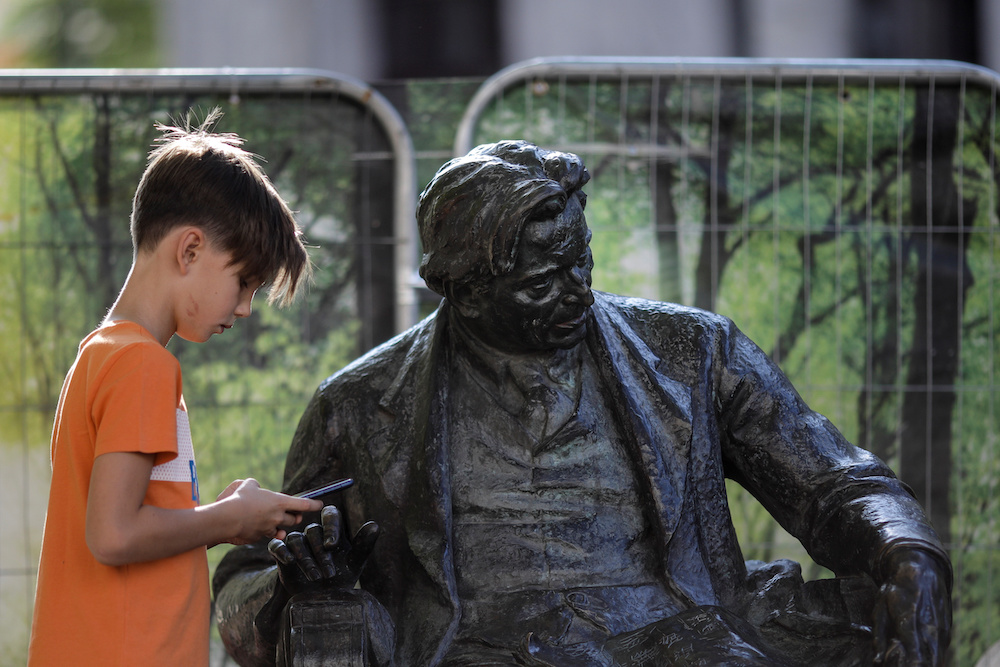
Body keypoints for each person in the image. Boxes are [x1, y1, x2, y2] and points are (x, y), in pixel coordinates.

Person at [213, 140, 951, 666]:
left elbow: (833, 481)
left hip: (678, 635)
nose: (576, 293)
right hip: (478, 646)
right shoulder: (360, 403)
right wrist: (302, 581)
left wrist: (902, 546)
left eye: (582, 262)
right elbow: (244, 584)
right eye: (542, 281)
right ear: (462, 290)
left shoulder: (692, 352)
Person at [27, 109, 323, 667]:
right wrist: (229, 520)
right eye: (244, 283)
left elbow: (129, 523)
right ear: (189, 251)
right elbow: (113, 535)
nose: (243, 309)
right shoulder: (144, 366)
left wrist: (218, 514)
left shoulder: (102, 354)